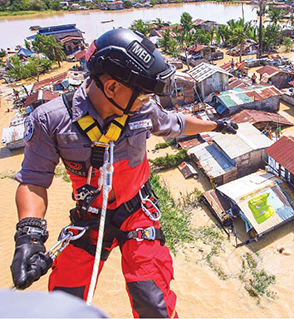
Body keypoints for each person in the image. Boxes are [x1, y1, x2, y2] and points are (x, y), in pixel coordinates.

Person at [10, 29, 239, 318]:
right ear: (112, 88)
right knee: (64, 300)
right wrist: (29, 236)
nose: (147, 100)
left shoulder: (143, 111)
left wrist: (216, 125)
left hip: (137, 212)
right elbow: (33, 179)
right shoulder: (51, 120)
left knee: (152, 301)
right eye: (143, 93)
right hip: (90, 216)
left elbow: (177, 124)